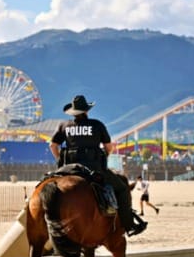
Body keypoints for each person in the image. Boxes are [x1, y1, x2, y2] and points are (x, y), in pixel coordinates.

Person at [49, 95, 147, 236]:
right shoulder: (97, 125)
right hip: (93, 167)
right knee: (122, 189)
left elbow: (53, 145)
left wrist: (60, 160)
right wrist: (104, 158)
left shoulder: (64, 125)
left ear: (73, 112)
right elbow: (108, 147)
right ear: (86, 111)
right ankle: (129, 224)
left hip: (69, 168)